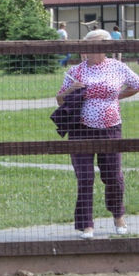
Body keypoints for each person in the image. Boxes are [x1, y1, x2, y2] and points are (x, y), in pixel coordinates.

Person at [55, 29, 139, 239]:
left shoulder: (118, 67)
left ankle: (118, 215)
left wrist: (118, 96)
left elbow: (136, 85)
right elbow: (60, 99)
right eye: (86, 46)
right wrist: (70, 90)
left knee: (112, 175)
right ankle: (86, 224)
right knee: (84, 176)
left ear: (105, 47)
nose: (87, 50)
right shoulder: (76, 71)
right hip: (80, 129)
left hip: (110, 128)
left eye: (92, 46)